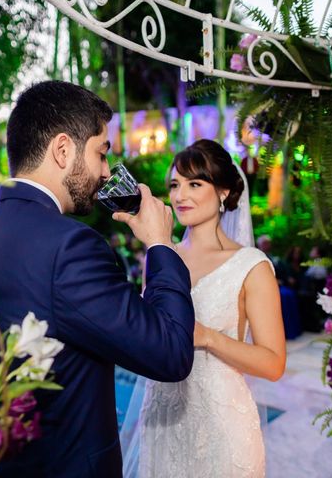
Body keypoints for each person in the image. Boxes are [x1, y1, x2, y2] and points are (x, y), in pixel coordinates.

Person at [0, 81, 195, 478]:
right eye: (101, 153)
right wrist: (160, 245)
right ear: (63, 150)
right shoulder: (72, 247)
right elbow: (170, 352)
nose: (104, 173)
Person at [122, 139, 286, 477]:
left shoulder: (251, 266)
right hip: (162, 419)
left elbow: (273, 364)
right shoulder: (161, 258)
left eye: (194, 183)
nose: (180, 195)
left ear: (223, 191)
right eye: (174, 185)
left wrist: (208, 337)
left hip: (222, 429)